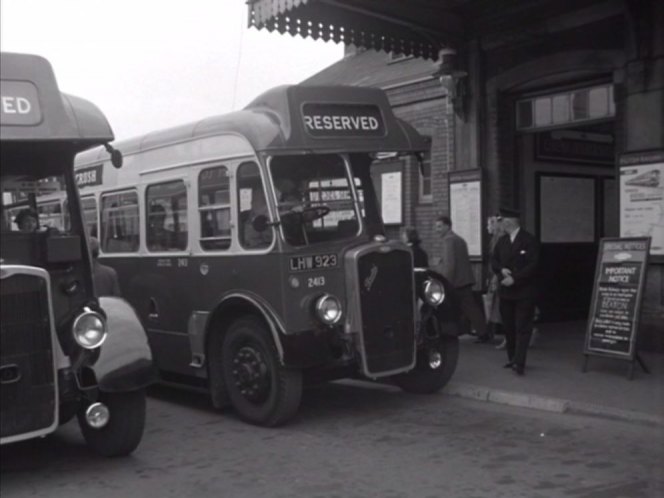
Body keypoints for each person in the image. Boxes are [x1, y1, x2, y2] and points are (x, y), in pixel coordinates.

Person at [491, 207, 540, 376]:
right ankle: (512, 358)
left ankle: (520, 363)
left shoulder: (529, 240)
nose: (500, 225)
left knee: (522, 327)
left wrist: (516, 278)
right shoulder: (502, 241)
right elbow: (495, 260)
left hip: (524, 291)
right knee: (509, 326)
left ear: (508, 222)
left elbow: (533, 265)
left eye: (501, 221)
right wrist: (501, 271)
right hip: (506, 292)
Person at [433, 215, 488, 339]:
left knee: (466, 308)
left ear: (447, 226)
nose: (437, 229)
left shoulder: (448, 240)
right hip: (464, 279)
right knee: (468, 307)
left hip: (456, 281)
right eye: (436, 227)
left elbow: (450, 264)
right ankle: (478, 331)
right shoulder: (459, 239)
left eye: (440, 226)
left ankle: (480, 332)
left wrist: (445, 282)